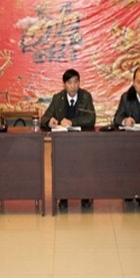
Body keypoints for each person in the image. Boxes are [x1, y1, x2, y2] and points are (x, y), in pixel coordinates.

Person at [41, 69, 95, 210]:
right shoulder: (58, 98)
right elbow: (44, 118)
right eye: (69, 83)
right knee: (62, 166)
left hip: (82, 143)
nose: (73, 86)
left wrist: (72, 122)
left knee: (83, 167)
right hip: (63, 144)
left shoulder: (86, 97)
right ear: (64, 84)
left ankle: (85, 196)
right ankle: (63, 196)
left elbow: (91, 118)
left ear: (79, 83)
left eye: (75, 82)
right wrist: (49, 122)